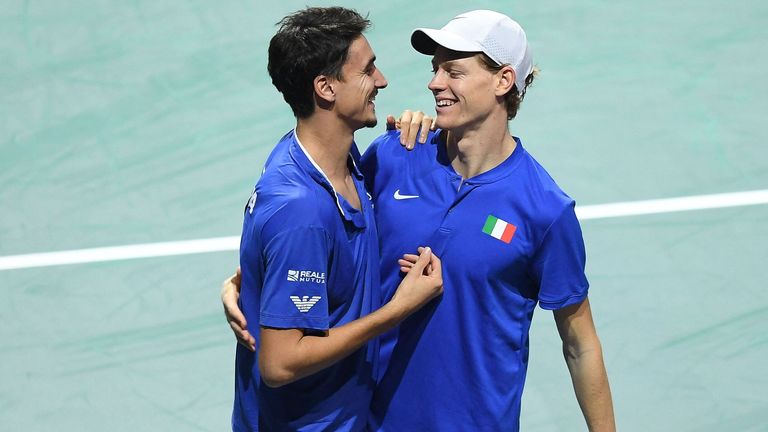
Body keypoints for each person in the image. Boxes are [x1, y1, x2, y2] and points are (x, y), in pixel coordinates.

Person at [224, 9, 615, 431]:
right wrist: (249, 284)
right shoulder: (393, 155)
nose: (434, 83)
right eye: (435, 69)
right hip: (368, 422)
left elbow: (580, 344)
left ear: (503, 81)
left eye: (454, 71)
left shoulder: (545, 210)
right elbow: (315, 239)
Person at [230, 7, 443, 431]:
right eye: (367, 71)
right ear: (326, 88)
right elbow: (280, 363)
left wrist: (244, 282)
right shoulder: (302, 208)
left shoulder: (336, 161)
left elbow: (284, 261)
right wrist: (397, 310)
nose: (381, 80)